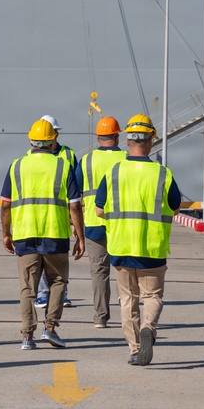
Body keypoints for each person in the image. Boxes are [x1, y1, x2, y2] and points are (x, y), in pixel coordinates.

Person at [96, 114, 181, 366]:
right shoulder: (163, 174)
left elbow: (99, 210)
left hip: (121, 246)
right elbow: (175, 207)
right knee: (152, 296)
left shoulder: (114, 172)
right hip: (152, 248)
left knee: (128, 300)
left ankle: (134, 349)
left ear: (126, 140)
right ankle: (149, 328)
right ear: (150, 141)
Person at [1, 118, 85, 350]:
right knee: (58, 281)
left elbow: (6, 205)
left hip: (25, 234)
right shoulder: (62, 166)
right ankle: (49, 329)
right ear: (53, 140)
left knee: (27, 287)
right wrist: (80, 236)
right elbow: (75, 206)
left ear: (31, 140)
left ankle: (27, 336)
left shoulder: (16, 165)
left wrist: (6, 234)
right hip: (55, 234)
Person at [76, 116, 126, 328]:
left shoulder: (86, 160)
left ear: (98, 137)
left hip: (94, 223)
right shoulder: (127, 158)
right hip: (123, 223)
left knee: (99, 271)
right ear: (117, 136)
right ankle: (128, 315)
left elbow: (75, 192)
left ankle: (101, 317)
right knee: (124, 271)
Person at [35, 114, 78, 310]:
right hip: (39, 214)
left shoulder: (68, 155)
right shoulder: (31, 157)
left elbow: (76, 189)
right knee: (42, 258)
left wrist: (76, 221)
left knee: (59, 260)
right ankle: (43, 295)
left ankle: (63, 294)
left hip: (61, 214)